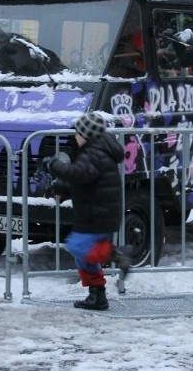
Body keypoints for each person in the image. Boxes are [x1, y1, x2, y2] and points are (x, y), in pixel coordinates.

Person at [42, 112, 130, 311]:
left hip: (98, 214)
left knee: (78, 247)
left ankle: (116, 255)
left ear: (87, 134)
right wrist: (61, 188)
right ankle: (97, 295)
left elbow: (78, 173)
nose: (75, 136)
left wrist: (53, 165)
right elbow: (84, 180)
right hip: (96, 213)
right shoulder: (96, 151)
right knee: (81, 254)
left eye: (78, 133)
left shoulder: (94, 153)